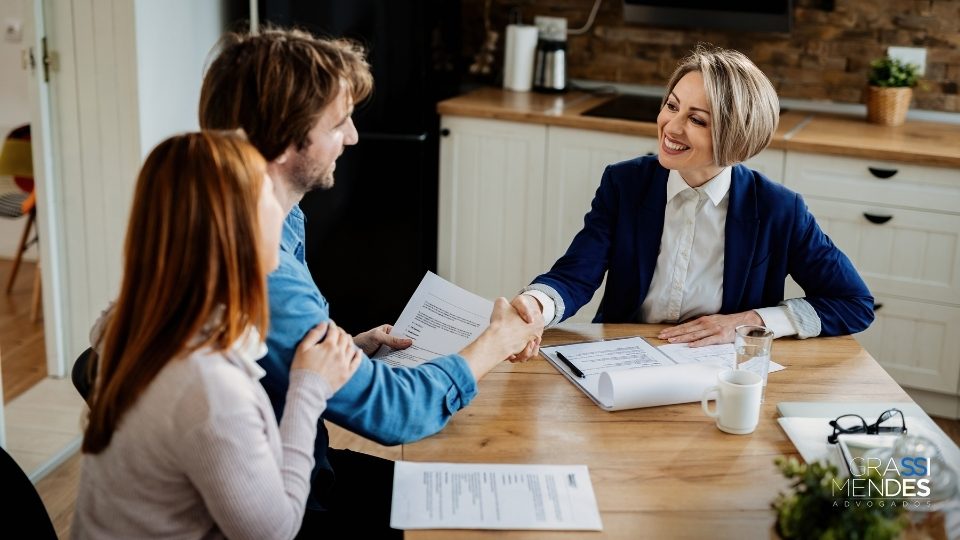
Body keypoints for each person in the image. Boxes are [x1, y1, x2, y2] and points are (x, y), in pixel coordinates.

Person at [197, 29, 542, 537]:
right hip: (285, 503)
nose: (354, 137)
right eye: (339, 123)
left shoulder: (273, 220)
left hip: (296, 465)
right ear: (285, 139)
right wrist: (495, 342)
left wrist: (351, 350)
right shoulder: (262, 270)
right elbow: (395, 412)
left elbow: (270, 355)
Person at [72, 131, 364, 539]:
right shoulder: (206, 387)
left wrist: (335, 354)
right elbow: (274, 531)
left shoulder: (138, 320)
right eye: (268, 199)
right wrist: (308, 388)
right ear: (233, 231)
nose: (281, 214)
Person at [511, 44, 873, 349]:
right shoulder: (624, 183)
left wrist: (751, 321)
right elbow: (576, 275)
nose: (671, 127)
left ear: (738, 137)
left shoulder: (780, 209)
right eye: (671, 106)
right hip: (624, 354)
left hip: (722, 368)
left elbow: (854, 303)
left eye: (697, 120)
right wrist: (534, 306)